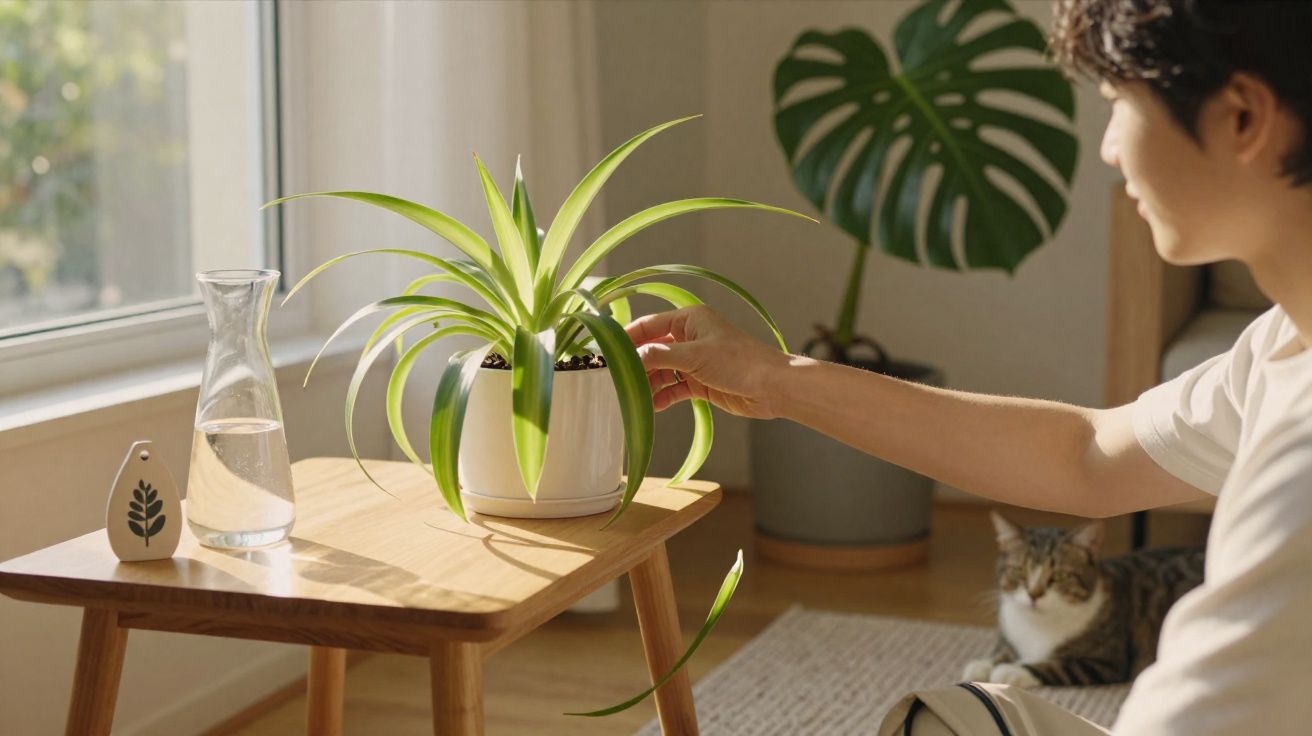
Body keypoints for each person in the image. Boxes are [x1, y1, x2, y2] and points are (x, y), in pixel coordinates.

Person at [625, 1, 1312, 733]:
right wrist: (775, 379)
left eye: (1118, 104)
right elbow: (1083, 456)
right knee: (947, 719)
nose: (1110, 149)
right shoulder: (1279, 346)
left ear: (1241, 117)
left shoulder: (1299, 463)